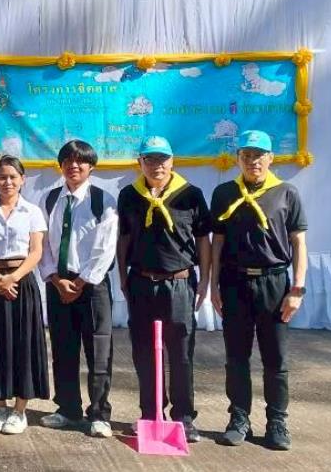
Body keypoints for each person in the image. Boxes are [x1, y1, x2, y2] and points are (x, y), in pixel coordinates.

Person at [210, 130, 308, 450]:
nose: (253, 161)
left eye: (259, 155)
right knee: (236, 356)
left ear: (271, 158)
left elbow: (299, 243)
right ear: (238, 159)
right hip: (235, 282)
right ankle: (239, 418)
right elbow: (217, 242)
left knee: (275, 358)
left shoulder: (287, 193)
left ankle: (277, 421)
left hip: (274, 283)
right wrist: (213, 285)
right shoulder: (225, 193)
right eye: (247, 155)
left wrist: (297, 289)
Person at [116, 135, 211, 443]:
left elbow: (203, 240)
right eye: (150, 159)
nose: (157, 165)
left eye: (162, 159)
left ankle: (184, 416)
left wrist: (205, 280)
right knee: (144, 352)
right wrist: (122, 277)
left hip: (179, 282)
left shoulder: (191, 194)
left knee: (181, 351)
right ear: (140, 162)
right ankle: (150, 413)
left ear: (172, 161)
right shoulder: (129, 195)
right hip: (142, 282)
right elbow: (123, 239)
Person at [36, 139, 118, 438]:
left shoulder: (103, 200)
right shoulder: (49, 199)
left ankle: (99, 414)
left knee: (99, 350)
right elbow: (42, 244)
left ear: (91, 166)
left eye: (81, 161)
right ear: (60, 166)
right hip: (59, 284)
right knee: (63, 348)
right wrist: (55, 279)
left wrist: (82, 281)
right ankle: (68, 409)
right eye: (68, 161)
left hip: (92, 285)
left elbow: (105, 247)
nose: (74, 166)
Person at [0, 156, 50, 435]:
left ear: (22, 180)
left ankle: (19, 410)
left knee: (22, 344)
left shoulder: (32, 212)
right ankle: (0, 406)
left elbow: (36, 252)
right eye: (2, 177)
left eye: (13, 177)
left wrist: (12, 278)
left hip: (21, 283)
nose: (7, 182)